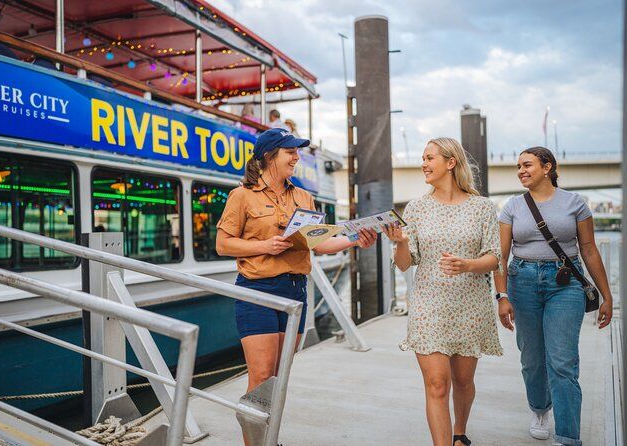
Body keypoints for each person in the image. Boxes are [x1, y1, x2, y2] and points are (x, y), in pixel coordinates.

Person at [215, 128, 377, 446]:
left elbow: (320, 244)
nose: (296, 157)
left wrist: (357, 239)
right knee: (261, 377)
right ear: (269, 156)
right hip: (257, 292)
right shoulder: (242, 195)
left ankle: (270, 439)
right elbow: (223, 244)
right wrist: (265, 246)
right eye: (290, 152)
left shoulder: (303, 197)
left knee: (278, 380)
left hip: (296, 292)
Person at [383, 137, 502, 446]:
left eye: (429, 157)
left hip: (470, 305)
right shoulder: (416, 208)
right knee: (437, 384)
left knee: (463, 381)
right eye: (423, 158)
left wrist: (467, 266)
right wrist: (401, 242)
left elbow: (494, 258)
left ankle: (459, 433)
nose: (423, 163)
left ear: (451, 163)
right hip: (428, 304)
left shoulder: (483, 207)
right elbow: (405, 264)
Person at [494, 146, 612, 446]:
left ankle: (568, 437)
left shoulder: (575, 203)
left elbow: (588, 249)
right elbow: (500, 255)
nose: (521, 170)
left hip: (565, 284)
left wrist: (606, 295)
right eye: (518, 166)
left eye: (527, 164)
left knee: (562, 361)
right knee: (532, 358)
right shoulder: (512, 207)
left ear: (548, 167)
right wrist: (502, 296)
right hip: (522, 282)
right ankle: (539, 409)